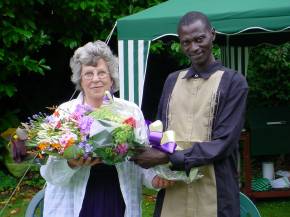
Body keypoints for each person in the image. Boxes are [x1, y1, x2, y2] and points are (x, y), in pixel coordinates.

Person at [131, 11, 248, 217]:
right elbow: (160, 131)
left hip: (215, 191)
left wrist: (167, 157)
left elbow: (224, 143)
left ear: (212, 34)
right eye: (186, 42)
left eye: (199, 39)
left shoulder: (233, 82)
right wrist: (148, 158)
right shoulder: (172, 80)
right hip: (173, 190)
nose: (193, 47)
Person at [40, 40, 173, 217]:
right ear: (80, 79)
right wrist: (71, 163)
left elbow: (142, 157)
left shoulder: (130, 111)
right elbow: (49, 173)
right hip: (75, 200)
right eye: (88, 73)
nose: (96, 79)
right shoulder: (65, 113)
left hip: (117, 197)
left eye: (102, 72)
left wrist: (154, 178)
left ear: (111, 78)